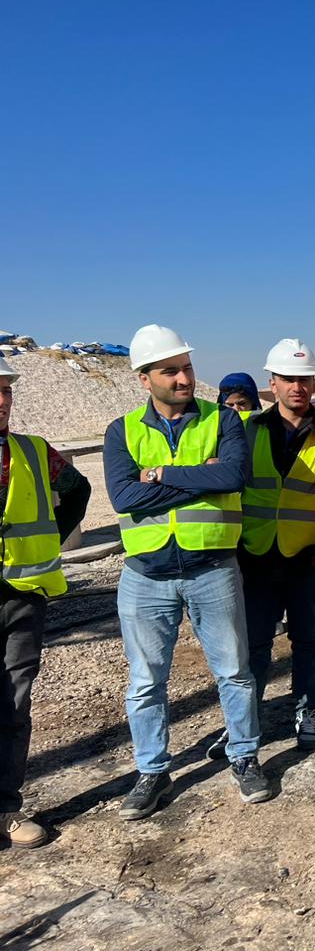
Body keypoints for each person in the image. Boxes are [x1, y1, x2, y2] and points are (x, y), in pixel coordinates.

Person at [106, 325, 269, 819]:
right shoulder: (122, 430)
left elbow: (232, 475)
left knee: (234, 672)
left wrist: (158, 475)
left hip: (212, 568)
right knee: (145, 682)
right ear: (144, 378)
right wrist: (201, 478)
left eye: (187, 367)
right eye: (170, 371)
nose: (184, 378)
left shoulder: (224, 419)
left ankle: (245, 757)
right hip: (145, 574)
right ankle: (152, 770)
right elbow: (124, 497)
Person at [0, 357, 90, 849]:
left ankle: (5, 809)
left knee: (14, 705)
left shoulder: (33, 451)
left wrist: (51, 539)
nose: (1, 401)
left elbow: (77, 489)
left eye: (6, 390)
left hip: (23, 595)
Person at [236, 339, 315, 753]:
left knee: (307, 639)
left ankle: (308, 711)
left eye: (304, 379)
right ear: (271, 383)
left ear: (314, 384)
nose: (297, 387)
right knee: (254, 644)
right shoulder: (246, 429)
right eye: (288, 379)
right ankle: (244, 720)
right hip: (256, 554)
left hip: (307, 557)